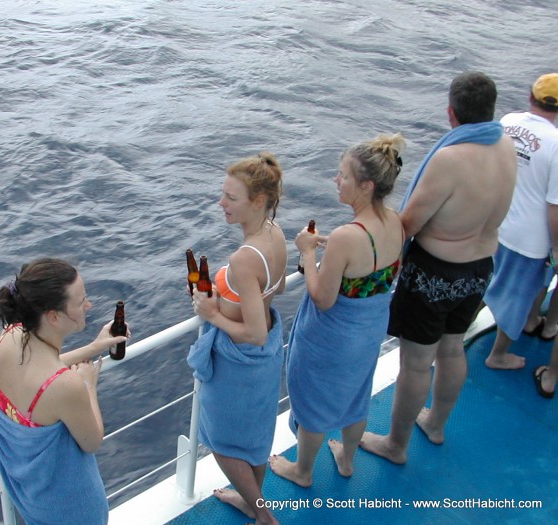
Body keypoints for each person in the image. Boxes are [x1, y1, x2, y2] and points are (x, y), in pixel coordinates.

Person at [360, 71, 517, 464]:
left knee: (415, 363)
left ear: (451, 113)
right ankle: (436, 423)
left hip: (436, 274)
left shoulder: (450, 159)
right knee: (452, 349)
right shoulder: (506, 146)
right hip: (480, 267)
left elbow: (409, 222)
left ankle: (395, 445)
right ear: (490, 109)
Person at [269, 134, 405, 484]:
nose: (335, 179)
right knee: (357, 395)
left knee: (314, 404)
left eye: (342, 174)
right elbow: (377, 271)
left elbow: (323, 298)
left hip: (333, 339)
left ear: (366, 185)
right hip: (370, 330)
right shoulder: (395, 220)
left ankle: (302, 471)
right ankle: (346, 459)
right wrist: (336, 253)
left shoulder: (347, 236)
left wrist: (309, 251)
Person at [0, 258, 128, 525]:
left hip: (30, 497)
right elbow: (92, 441)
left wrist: (95, 346)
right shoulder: (67, 387)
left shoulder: (10, 336)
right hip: (72, 509)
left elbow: (41, 371)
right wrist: (88, 386)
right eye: (81, 302)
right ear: (53, 316)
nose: (89, 305)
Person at [188, 152, 287, 525]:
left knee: (221, 442)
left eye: (231, 197)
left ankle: (262, 515)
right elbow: (259, 300)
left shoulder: (245, 258)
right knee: (254, 438)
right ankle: (252, 501)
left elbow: (255, 332)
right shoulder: (274, 234)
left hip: (240, 361)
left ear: (257, 201)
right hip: (265, 359)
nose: (221, 203)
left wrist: (212, 314)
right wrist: (222, 300)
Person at [484, 72, 558, 368]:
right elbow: (554, 207)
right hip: (530, 240)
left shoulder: (507, 122)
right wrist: (557, 248)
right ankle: (498, 355)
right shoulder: (556, 143)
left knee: (486, 283)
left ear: (531, 97)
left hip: (495, 224)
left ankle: (529, 322)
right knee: (517, 296)